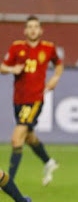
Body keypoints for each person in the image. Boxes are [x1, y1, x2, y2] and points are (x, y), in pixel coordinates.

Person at [1, 15, 63, 185]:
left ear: (41, 30)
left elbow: (59, 64)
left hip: (35, 99)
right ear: (25, 30)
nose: (33, 29)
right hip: (18, 100)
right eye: (30, 26)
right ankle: (49, 162)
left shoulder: (48, 48)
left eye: (36, 26)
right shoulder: (17, 47)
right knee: (28, 137)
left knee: (16, 138)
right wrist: (12, 68)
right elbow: (2, 67)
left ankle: (8, 182)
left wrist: (55, 78)